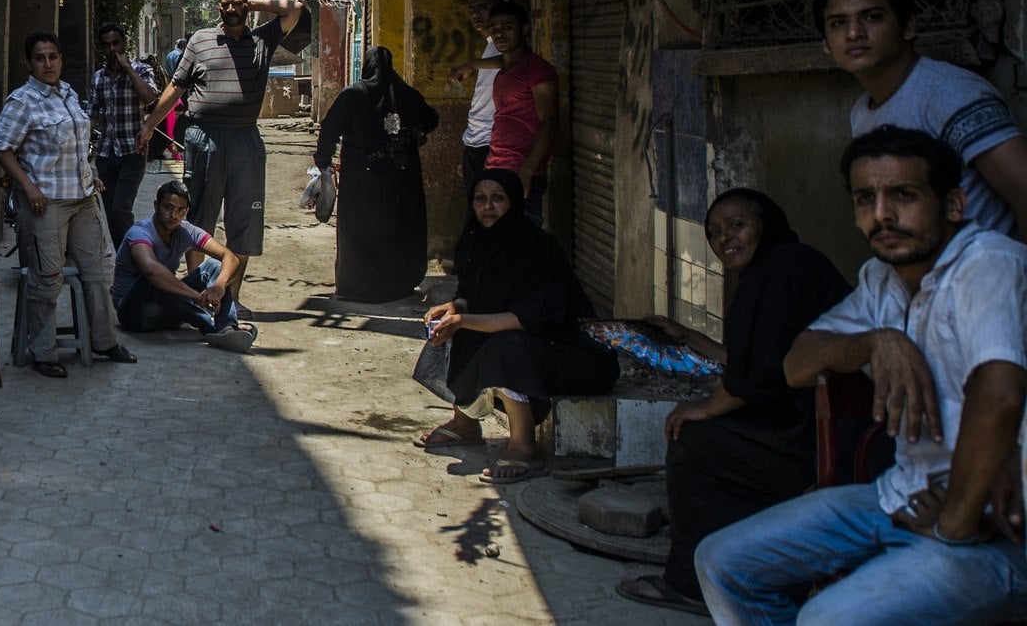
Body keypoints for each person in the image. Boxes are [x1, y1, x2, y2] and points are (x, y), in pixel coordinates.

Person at [695, 125, 1027, 625]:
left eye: (904, 195)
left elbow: (999, 395)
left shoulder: (989, 265)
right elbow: (796, 364)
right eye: (864, 198)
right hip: (903, 495)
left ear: (954, 204)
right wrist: (875, 342)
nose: (882, 214)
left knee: (826, 618)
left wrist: (954, 526)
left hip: (998, 526)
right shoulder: (881, 281)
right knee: (722, 563)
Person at [616, 188, 849, 615]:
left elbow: (758, 376)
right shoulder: (779, 268)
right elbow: (757, 359)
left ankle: (689, 583)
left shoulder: (783, 271)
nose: (725, 238)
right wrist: (688, 337)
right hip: (811, 418)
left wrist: (704, 408)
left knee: (693, 439)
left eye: (736, 225)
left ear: (765, 224)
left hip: (821, 433)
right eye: (715, 232)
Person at [415, 169, 619, 479]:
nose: (488, 207)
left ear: (513, 203)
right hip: (532, 347)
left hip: (574, 355)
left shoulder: (538, 250)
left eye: (497, 199)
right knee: (459, 326)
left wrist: (463, 319)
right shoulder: (475, 241)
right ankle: (465, 423)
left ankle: (525, 448)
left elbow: (526, 320)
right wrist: (454, 307)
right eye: (481, 199)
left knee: (503, 341)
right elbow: (474, 296)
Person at [815, 0, 1027, 237]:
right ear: (826, 44)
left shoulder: (950, 94)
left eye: (872, 17)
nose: (854, 33)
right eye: (838, 23)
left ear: (908, 26)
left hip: (981, 273)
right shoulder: (862, 112)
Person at [0, 31, 137, 378]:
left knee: (100, 272)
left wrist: (91, 173)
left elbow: (77, 144)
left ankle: (104, 340)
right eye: (40, 58)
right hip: (46, 204)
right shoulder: (22, 101)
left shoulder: (68, 93)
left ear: (60, 59)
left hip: (84, 198)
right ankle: (44, 351)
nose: (47, 64)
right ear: (30, 63)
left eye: (53, 56)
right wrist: (28, 188)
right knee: (47, 278)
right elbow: (1, 147)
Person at [136, 0, 305, 287]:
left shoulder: (262, 39)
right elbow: (176, 87)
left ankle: (232, 296)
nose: (231, 9)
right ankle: (197, 290)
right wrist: (150, 125)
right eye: (226, 5)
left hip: (245, 140)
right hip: (204, 139)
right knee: (199, 216)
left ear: (246, 7)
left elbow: (295, 8)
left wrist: (252, 3)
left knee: (243, 221)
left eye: (237, 4)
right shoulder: (200, 40)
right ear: (218, 9)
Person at [314, 46, 440, 302]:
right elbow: (431, 120)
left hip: (362, 177)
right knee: (399, 228)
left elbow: (329, 128)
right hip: (401, 176)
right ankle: (399, 283)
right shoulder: (406, 94)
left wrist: (324, 160)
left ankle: (358, 285)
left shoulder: (353, 94)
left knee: (359, 228)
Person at [112, 180, 256, 352]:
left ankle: (227, 327)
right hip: (135, 315)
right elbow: (150, 270)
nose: (174, 215)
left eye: (180, 210)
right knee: (152, 279)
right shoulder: (139, 232)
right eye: (168, 207)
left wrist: (219, 286)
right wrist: (196, 296)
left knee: (214, 266)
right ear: (156, 206)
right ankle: (211, 327)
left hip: (169, 312)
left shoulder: (186, 230)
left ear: (186, 212)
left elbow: (230, 257)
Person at [449, 1, 559, 225]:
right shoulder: (505, 69)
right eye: (495, 29)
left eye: (507, 27)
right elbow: (503, 61)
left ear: (525, 29)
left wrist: (528, 170)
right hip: (496, 166)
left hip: (521, 172)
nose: (499, 34)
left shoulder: (537, 70)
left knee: (521, 242)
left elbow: (549, 123)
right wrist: (470, 65)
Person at [88, 21, 159, 246]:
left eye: (116, 43)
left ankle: (134, 254)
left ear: (124, 43)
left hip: (133, 151)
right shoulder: (98, 78)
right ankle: (124, 257)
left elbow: (149, 98)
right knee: (110, 211)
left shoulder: (141, 70)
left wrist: (128, 68)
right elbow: (92, 114)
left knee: (122, 208)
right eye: (107, 45)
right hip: (106, 154)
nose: (112, 50)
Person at [460, 0, 504, 202]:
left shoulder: (504, 48)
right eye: (472, 8)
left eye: (483, 7)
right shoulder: (490, 47)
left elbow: (511, 60)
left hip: (491, 144)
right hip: (475, 141)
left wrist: (473, 64)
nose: (476, 14)